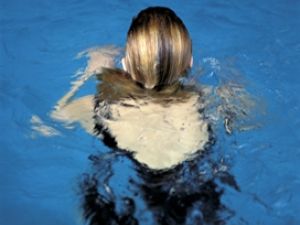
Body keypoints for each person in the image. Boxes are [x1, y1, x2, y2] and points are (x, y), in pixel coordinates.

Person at [52, 6, 212, 171]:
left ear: (125, 64)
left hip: (121, 189)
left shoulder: (102, 108)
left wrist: (87, 74)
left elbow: (55, 117)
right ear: (190, 61)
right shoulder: (204, 100)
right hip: (198, 186)